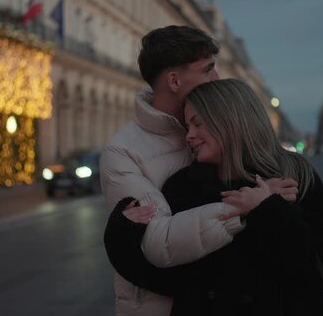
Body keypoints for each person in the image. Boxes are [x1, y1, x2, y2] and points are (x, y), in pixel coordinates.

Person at [100, 26, 297, 316]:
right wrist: (246, 207)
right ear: (174, 80)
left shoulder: (218, 134)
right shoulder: (123, 152)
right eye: (208, 70)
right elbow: (158, 241)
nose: (216, 78)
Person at [104, 79, 323, 315]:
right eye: (187, 126)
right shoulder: (183, 185)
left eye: (197, 124)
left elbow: (309, 272)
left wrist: (267, 209)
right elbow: (163, 277)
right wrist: (121, 234)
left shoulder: (297, 176)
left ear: (229, 120)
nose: (189, 136)